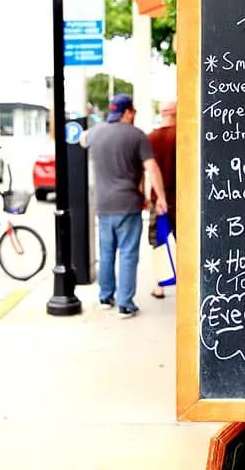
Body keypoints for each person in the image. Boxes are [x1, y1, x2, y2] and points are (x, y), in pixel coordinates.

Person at [80, 94, 169, 319]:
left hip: (103, 205)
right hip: (128, 205)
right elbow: (152, 168)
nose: (135, 115)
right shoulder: (137, 136)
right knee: (128, 254)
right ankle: (125, 304)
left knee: (107, 252)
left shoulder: (96, 133)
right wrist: (161, 197)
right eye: (134, 111)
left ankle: (105, 297)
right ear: (127, 112)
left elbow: (81, 139)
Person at [147, 101, 177, 299]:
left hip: (158, 198)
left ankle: (159, 285)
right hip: (182, 197)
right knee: (185, 241)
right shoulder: (182, 136)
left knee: (159, 241)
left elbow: (148, 169)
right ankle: (186, 283)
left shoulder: (151, 138)